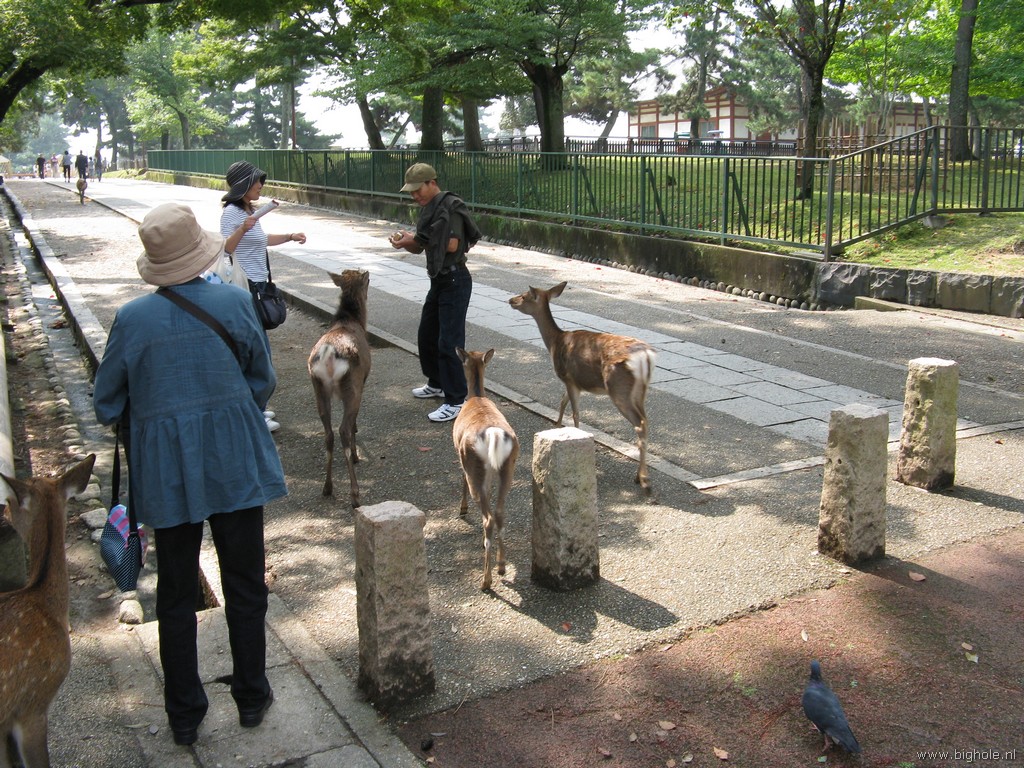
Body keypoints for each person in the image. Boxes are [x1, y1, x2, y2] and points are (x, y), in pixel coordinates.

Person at [92, 203, 285, 748]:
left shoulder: (132, 319)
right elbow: (262, 379)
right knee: (244, 580)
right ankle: (251, 695)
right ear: (198, 252)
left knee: (175, 592)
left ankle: (184, 714)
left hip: (166, 468)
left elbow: (107, 403)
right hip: (233, 457)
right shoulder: (234, 302)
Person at [389, 162, 481, 422]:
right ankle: (437, 383)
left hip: (455, 280)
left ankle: (456, 400)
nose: (415, 195)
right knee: (427, 335)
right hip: (439, 280)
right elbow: (420, 247)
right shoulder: (429, 209)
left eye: (418, 190)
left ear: (432, 183)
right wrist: (406, 242)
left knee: (449, 343)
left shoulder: (450, 206)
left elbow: (451, 245)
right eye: (411, 192)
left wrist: (416, 239)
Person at [220, 160, 306, 432]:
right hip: (244, 289)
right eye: (256, 181)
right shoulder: (232, 213)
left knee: (259, 349)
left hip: (258, 286)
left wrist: (290, 236)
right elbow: (226, 248)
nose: (260, 185)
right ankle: (254, 411)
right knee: (257, 351)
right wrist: (242, 228)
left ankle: (257, 405)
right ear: (243, 184)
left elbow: (261, 240)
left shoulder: (248, 210)